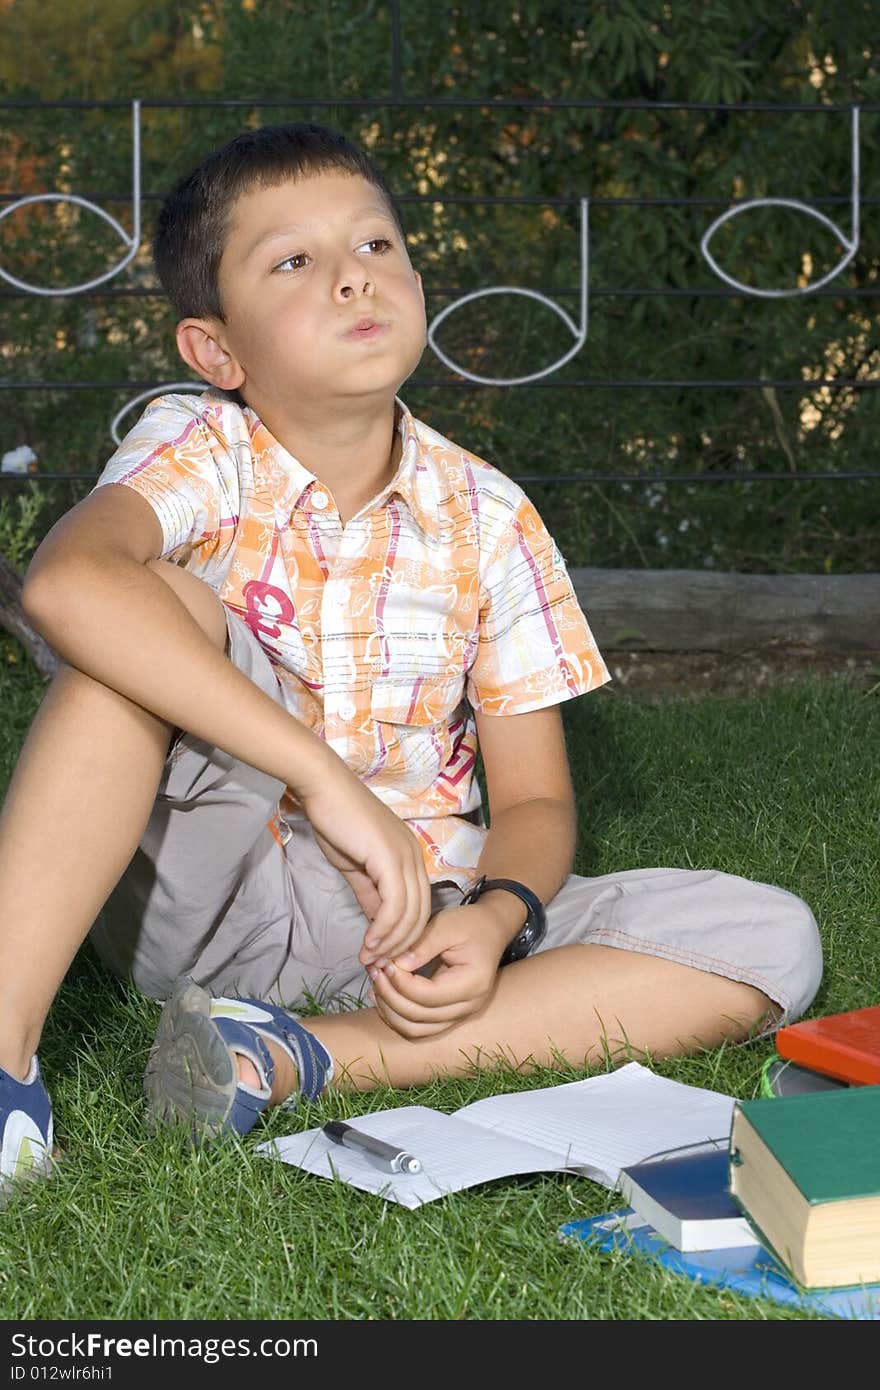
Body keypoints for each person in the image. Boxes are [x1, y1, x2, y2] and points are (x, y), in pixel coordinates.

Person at [0, 122, 822, 1197]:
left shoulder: (488, 514)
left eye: (377, 246)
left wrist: (492, 918)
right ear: (218, 352)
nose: (353, 279)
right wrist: (322, 777)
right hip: (206, 885)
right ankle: (6, 1064)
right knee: (142, 608)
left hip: (408, 924)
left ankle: (289, 1054)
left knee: (770, 939)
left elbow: (533, 801)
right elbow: (65, 583)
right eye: (294, 261)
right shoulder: (198, 446)